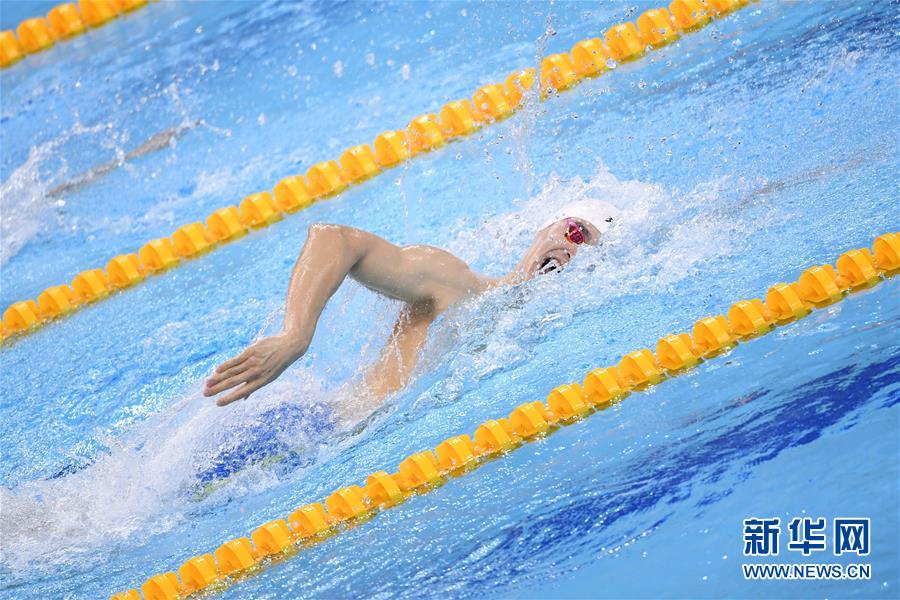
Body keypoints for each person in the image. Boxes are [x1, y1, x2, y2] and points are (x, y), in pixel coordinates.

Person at [204, 199, 618, 412]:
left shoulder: (527, 339)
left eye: (589, 250)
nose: (573, 250)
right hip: (314, 427)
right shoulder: (456, 282)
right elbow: (335, 238)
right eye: (575, 231)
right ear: (544, 228)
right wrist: (296, 334)